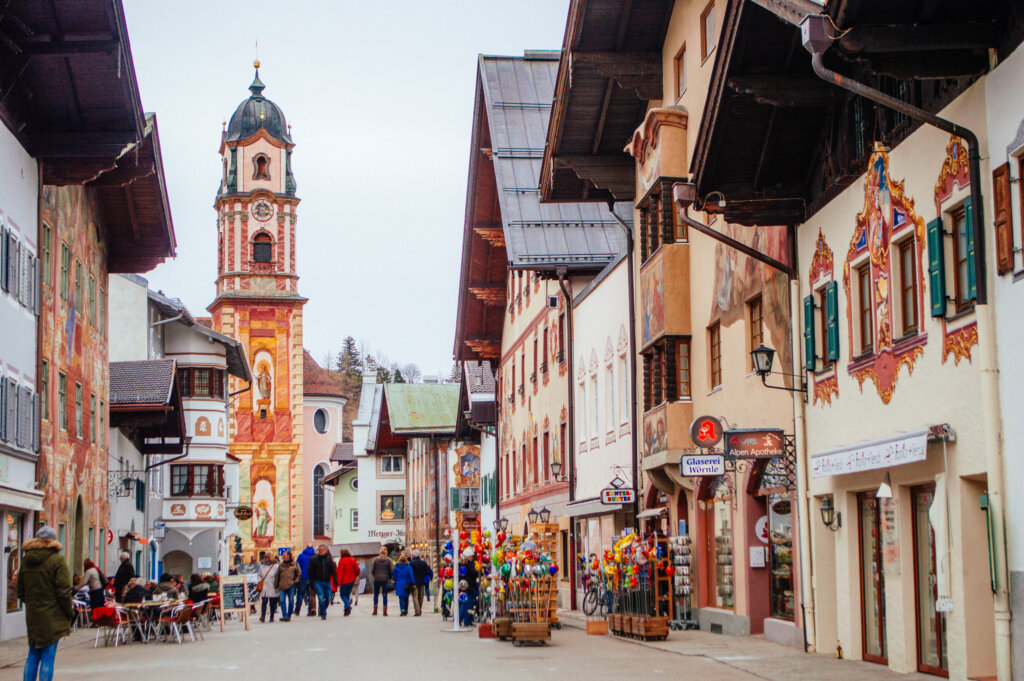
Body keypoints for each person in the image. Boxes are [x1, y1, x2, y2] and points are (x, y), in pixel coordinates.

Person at [19, 526, 72, 681]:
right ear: (53, 541)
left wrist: (32, 603)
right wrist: (69, 612)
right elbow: (64, 591)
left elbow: (20, 591)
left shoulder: (26, 560)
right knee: (48, 657)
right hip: (52, 616)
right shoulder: (57, 560)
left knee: (33, 654)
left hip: (33, 615)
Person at [308, 545, 336, 620]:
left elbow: (332, 570)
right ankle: (323, 613)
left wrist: (335, 580)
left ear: (325, 550)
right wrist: (311, 582)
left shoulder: (329, 559)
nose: (320, 551)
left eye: (322, 549)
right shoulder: (314, 559)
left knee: (328, 598)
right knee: (320, 597)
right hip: (318, 581)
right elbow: (310, 571)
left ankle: (323, 609)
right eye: (319, 549)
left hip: (327, 581)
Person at [275, 550, 301, 622]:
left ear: (289, 556)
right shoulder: (281, 565)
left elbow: (299, 574)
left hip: (291, 585)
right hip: (282, 586)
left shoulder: (295, 564)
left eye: (285, 556)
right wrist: (276, 586)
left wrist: (295, 581)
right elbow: (277, 576)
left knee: (291, 601)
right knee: (282, 601)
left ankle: (289, 615)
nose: (284, 557)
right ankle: (285, 615)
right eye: (284, 556)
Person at [334, 548, 359, 616]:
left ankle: (348, 606)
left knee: (342, 595)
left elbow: (340, 572)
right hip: (351, 580)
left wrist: (338, 583)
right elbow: (357, 569)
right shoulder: (352, 560)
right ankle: (346, 611)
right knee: (347, 595)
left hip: (344, 581)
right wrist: (354, 576)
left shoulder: (342, 561)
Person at [370, 547, 392, 616]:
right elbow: (391, 570)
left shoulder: (375, 560)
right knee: (385, 595)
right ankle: (385, 611)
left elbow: (372, 570)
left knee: (376, 594)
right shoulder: (389, 560)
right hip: (385, 579)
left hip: (376, 579)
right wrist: (389, 577)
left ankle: (375, 610)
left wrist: (375, 575)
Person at [459, 550, 479, 627]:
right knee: (469, 605)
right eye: (471, 556)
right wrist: (478, 569)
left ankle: (460, 619)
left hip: (464, 586)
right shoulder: (469, 565)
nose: (472, 558)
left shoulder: (462, 565)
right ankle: (467, 621)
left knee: (464, 604)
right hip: (470, 587)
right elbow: (475, 573)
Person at [409, 550, 430, 617]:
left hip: (414, 582)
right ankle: (419, 609)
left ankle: (417, 611)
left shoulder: (411, 563)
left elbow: (410, 573)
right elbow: (427, 571)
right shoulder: (423, 563)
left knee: (415, 597)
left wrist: (412, 582)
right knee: (421, 597)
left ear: (413, 556)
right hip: (422, 582)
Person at [296, 544, 315, 617]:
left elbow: (297, 565)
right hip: (312, 577)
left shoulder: (301, 556)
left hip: (303, 577)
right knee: (311, 595)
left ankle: (297, 610)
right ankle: (310, 610)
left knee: (300, 595)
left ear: (306, 547)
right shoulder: (315, 556)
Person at [258, 555, 280, 623]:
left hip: (272, 586)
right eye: (265, 557)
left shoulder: (275, 566)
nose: (266, 559)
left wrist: (277, 586)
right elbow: (259, 575)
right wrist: (259, 581)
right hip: (264, 586)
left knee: (272, 603)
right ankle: (263, 616)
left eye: (267, 557)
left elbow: (278, 576)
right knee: (264, 602)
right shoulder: (262, 566)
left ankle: (271, 617)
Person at [393, 552, 414, 617]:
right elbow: (411, 575)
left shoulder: (396, 567)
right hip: (406, 583)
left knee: (401, 598)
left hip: (399, 584)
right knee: (406, 597)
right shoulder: (408, 566)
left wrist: (396, 580)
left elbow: (394, 576)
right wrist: (413, 583)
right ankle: (406, 610)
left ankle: (402, 609)